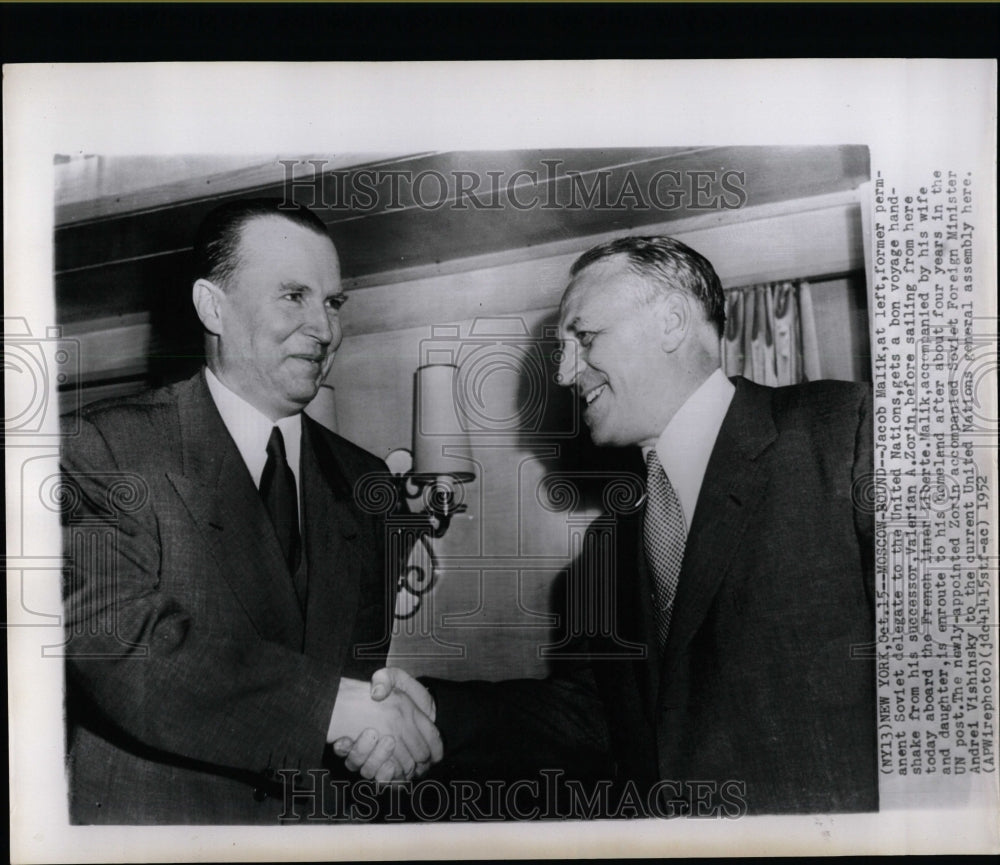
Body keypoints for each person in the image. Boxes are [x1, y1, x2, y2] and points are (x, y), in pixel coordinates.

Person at [338, 235, 878, 816]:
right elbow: (589, 721)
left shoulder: (846, 431)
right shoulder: (608, 546)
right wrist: (432, 710)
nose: (567, 373)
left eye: (585, 339)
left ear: (672, 322)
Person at [60, 199, 441, 824]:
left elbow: (355, 684)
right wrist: (337, 711)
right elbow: (118, 647)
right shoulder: (102, 449)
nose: (323, 328)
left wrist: (378, 742)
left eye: (334, 303)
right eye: (293, 295)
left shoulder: (368, 483)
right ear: (212, 306)